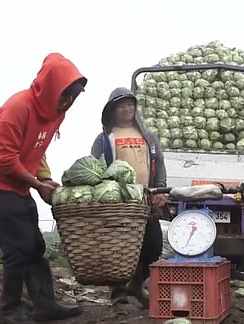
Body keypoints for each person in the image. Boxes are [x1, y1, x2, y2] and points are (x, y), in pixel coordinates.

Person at [0, 53, 87, 323]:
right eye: (63, 96)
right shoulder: (18, 108)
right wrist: (37, 185)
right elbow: (4, 161)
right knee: (18, 248)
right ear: (48, 89)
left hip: (19, 185)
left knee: (35, 245)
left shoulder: (57, 112)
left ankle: (45, 305)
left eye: (72, 97)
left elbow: (38, 149)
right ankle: (9, 310)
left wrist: (45, 179)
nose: (67, 102)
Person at [91, 87, 167, 309]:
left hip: (146, 200)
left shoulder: (148, 137)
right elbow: (94, 167)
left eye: (130, 104)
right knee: (118, 249)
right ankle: (118, 293)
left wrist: (160, 190)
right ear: (112, 110)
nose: (127, 108)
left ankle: (136, 284)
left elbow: (159, 165)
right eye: (122, 105)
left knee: (152, 247)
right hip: (119, 202)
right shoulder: (105, 138)